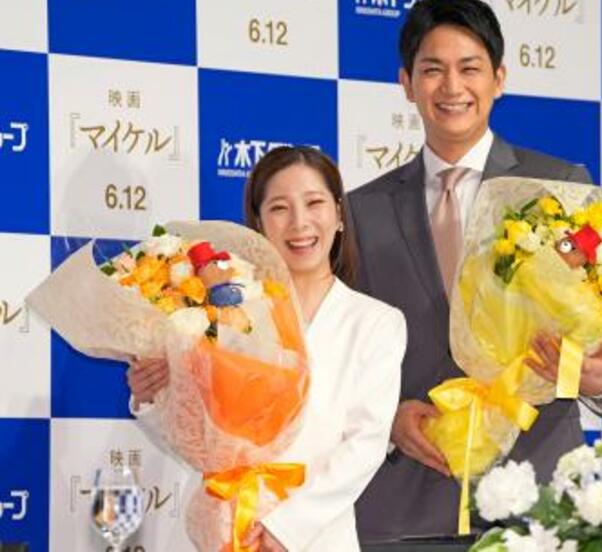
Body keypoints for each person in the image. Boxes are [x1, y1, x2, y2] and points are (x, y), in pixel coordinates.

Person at [349, 0, 602, 541]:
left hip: (538, 494)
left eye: (469, 68)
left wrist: (599, 378)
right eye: (433, 70)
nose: (452, 87)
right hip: (408, 500)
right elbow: (340, 354)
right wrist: (386, 420)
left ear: (498, 79)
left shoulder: (561, 187)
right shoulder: (358, 212)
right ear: (406, 84)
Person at [127, 146, 407, 551]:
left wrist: (284, 528)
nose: (299, 222)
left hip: (315, 537)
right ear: (258, 223)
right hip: (222, 526)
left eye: (314, 203)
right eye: (279, 208)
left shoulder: (376, 322)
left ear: (339, 215)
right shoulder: (225, 311)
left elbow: (366, 444)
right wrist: (153, 396)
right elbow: (197, 434)